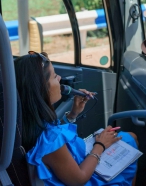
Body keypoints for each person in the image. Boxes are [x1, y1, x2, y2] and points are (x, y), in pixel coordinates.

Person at [14, 51, 139, 186]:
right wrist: (100, 145)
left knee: (130, 137)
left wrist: (73, 114)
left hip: (75, 162)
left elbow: (52, 134)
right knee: (131, 140)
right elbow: (79, 179)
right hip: (83, 175)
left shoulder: (30, 121)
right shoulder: (51, 140)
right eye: (55, 76)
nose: (60, 78)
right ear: (42, 89)